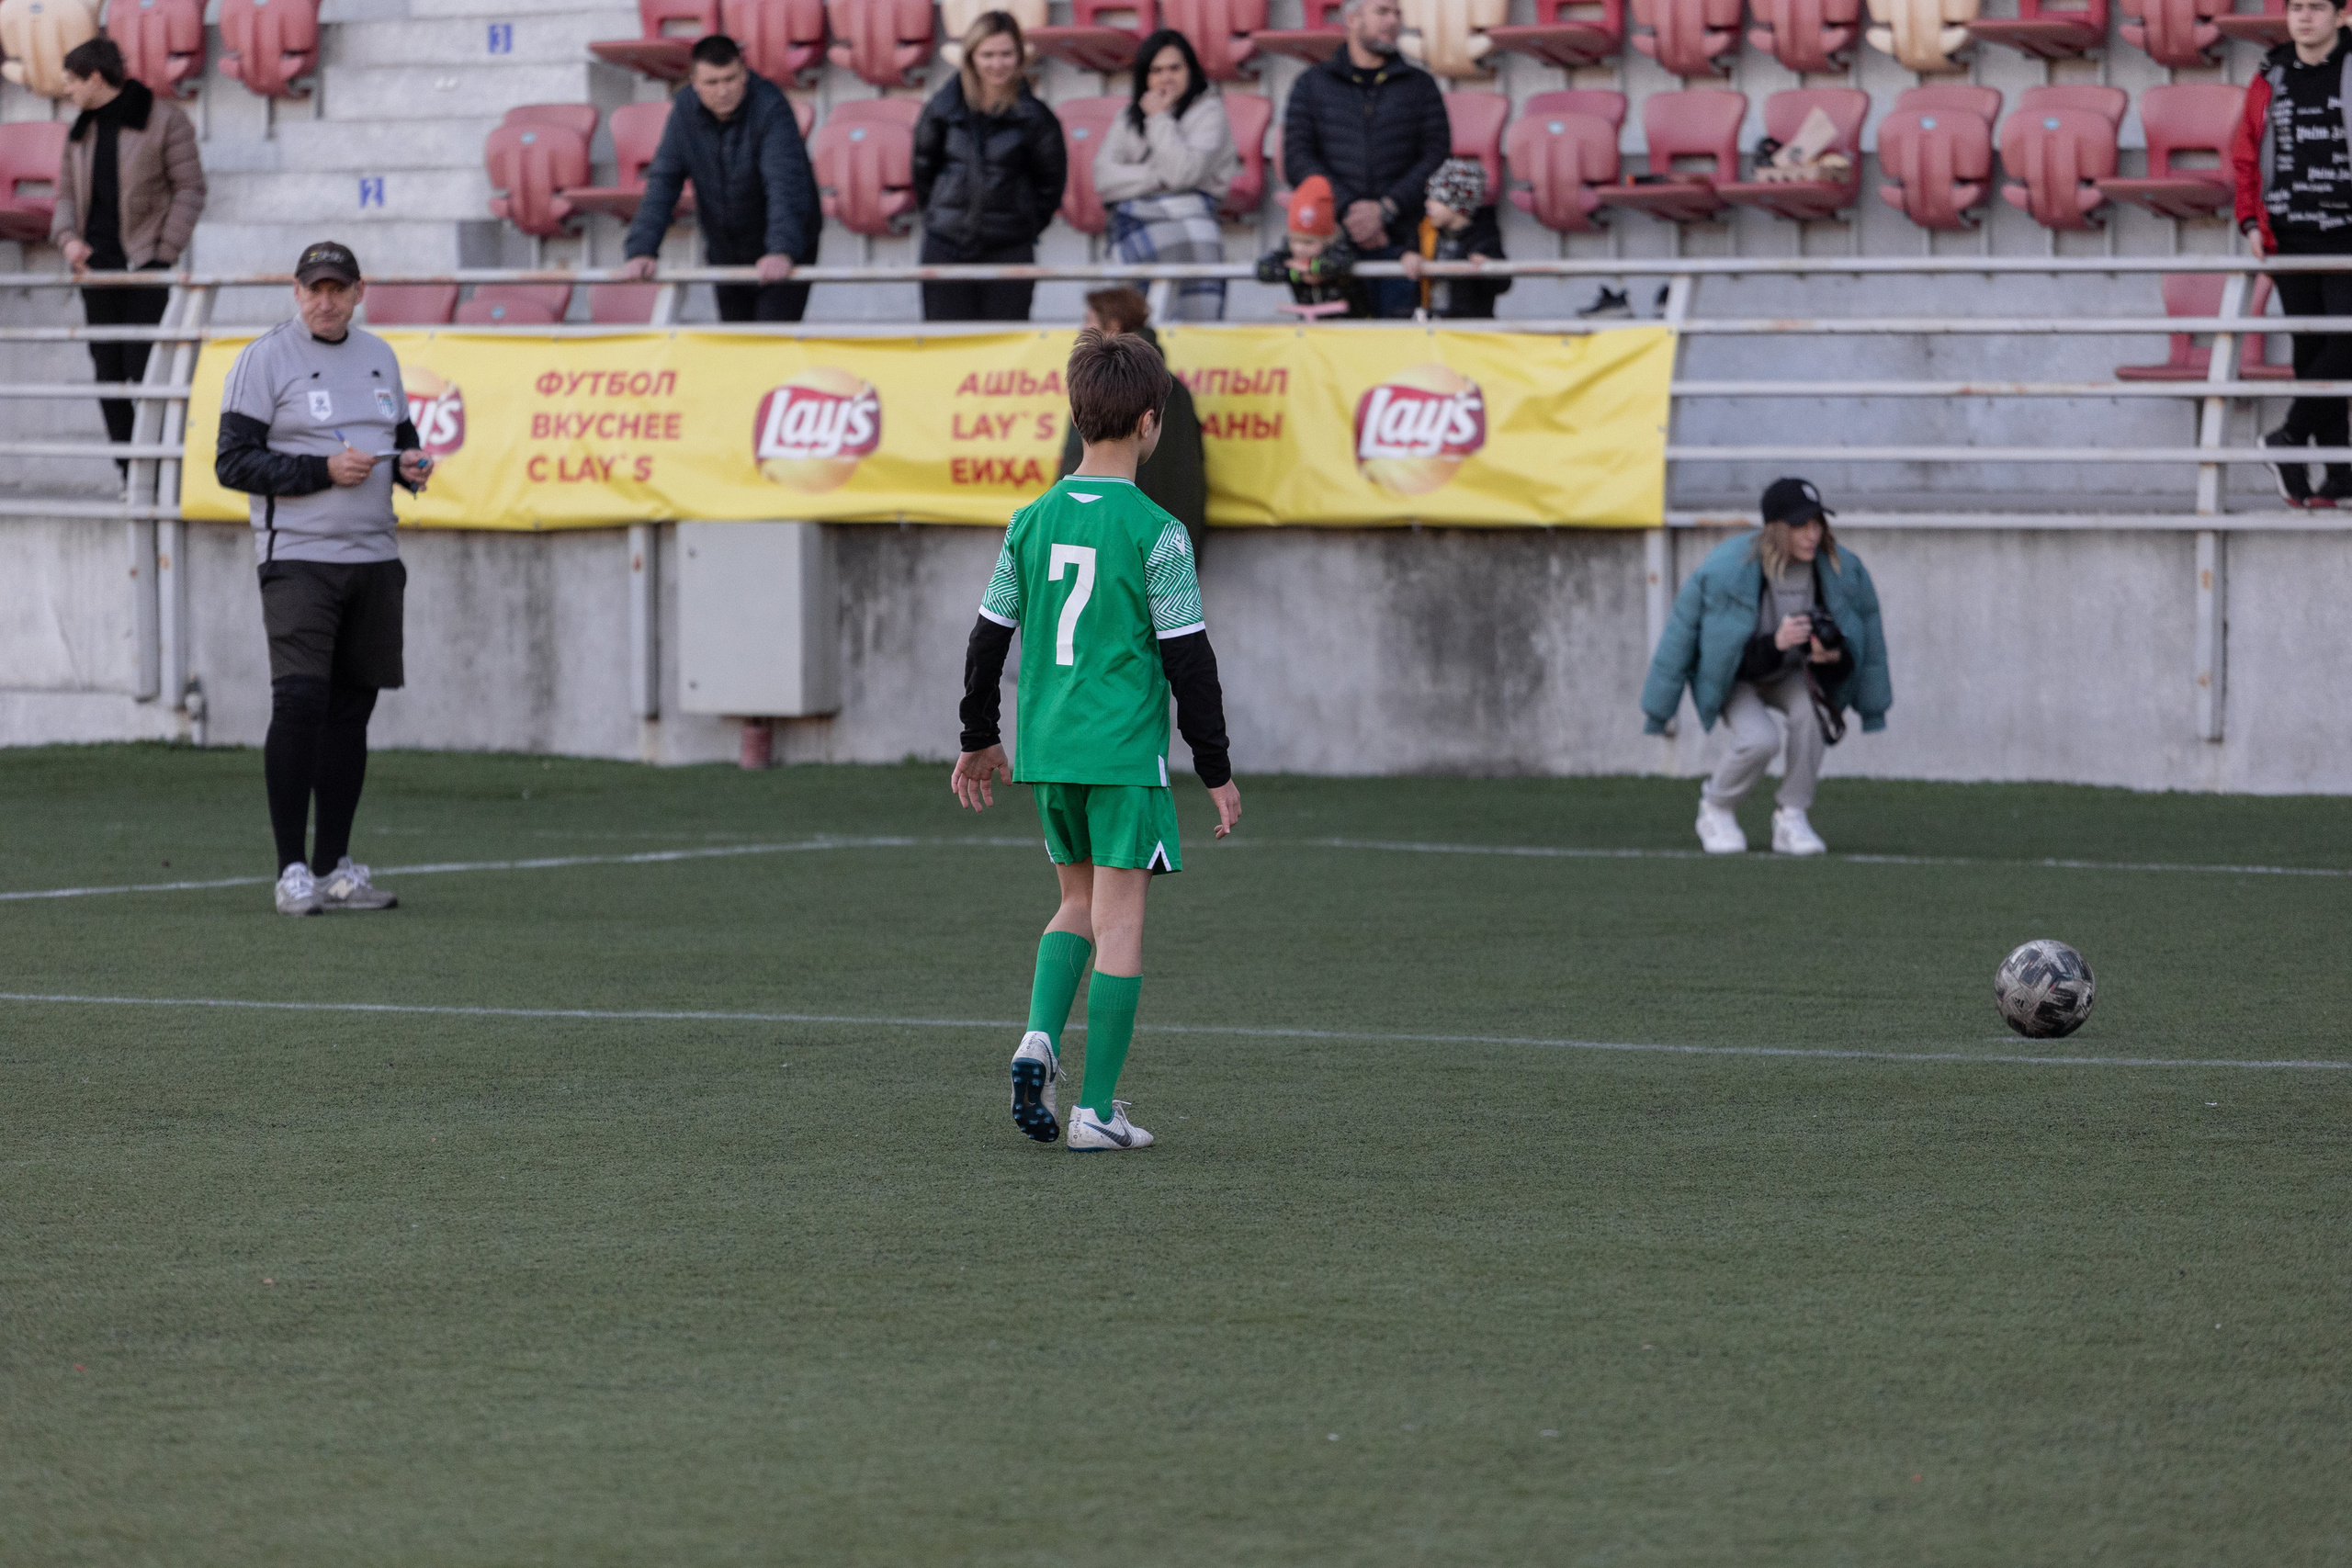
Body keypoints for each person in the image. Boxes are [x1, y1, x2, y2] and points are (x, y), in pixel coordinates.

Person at [952, 329, 1240, 1152]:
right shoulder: (1159, 531)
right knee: (1120, 920)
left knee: (1075, 902)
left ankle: (1037, 1039)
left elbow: (987, 639)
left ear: (1077, 416)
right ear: (1151, 422)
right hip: (1121, 758)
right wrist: (1216, 768)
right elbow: (1190, 662)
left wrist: (979, 735)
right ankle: (1096, 1111)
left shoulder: (1029, 521)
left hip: (1048, 752)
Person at [215, 243, 431, 916]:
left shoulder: (380, 356)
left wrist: (410, 467)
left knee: (351, 711)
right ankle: (291, 871)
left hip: (375, 558)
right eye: (315, 289)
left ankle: (335, 866)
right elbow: (232, 463)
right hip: (299, 560)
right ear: (295, 290)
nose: (325, 301)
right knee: (300, 703)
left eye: (338, 289)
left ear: (360, 292)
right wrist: (320, 472)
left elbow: (400, 439)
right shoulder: (264, 359)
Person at [1640, 479, 1891, 857]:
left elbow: (1867, 637)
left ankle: (1792, 816)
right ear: (1775, 528)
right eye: (1800, 525)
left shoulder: (1841, 569)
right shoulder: (1727, 567)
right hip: (1736, 676)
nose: (1812, 535)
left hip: (1791, 674)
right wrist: (1659, 711)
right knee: (1760, 740)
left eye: (1817, 524)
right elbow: (1682, 635)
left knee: (1813, 717)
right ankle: (1716, 808)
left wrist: (1834, 659)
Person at [50, 37, 205, 467]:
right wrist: (68, 239)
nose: (67, 90)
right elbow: (65, 195)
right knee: (108, 376)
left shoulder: (165, 120)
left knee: (147, 371)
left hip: (145, 267)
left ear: (96, 78)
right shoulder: (80, 130)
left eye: (72, 81)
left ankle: (162, 471)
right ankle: (131, 476)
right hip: (96, 270)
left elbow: (190, 190)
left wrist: (163, 253)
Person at [2233, 0, 2352, 507]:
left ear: (2341, 14)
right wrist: (2249, 220)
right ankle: (2337, 475)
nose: (2304, 17)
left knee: (2345, 344)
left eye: (2317, 7)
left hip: (2347, 236)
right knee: (2312, 355)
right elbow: (2246, 152)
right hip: (2289, 235)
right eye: (2296, 7)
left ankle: (2287, 438)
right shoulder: (2271, 74)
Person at [619, 34, 819, 322]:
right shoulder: (684, 111)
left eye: (730, 79)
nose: (723, 91)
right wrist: (641, 249)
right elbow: (663, 181)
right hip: (725, 248)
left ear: (744, 74)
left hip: (783, 245)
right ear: (694, 83)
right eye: (712, 83)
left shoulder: (771, 107)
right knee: (733, 340)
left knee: (770, 340)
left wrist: (781, 250)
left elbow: (785, 183)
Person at [1279, 0, 1451, 320]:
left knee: (1398, 341)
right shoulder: (1311, 84)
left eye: (1398, 13)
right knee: (1334, 345)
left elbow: (1437, 157)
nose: (1393, 21)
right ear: (1352, 18)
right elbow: (1297, 159)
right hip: (1330, 244)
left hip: (1402, 243)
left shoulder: (1420, 85)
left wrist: (1386, 209)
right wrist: (1348, 209)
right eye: (1382, 11)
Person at [913, 10, 1067, 322]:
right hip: (946, 246)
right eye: (988, 55)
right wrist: (943, 218)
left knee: (1005, 346)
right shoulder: (940, 111)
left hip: (1010, 249)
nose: (997, 64)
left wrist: (1022, 225)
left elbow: (1051, 183)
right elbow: (922, 170)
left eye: (1006, 54)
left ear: (1019, 56)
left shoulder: (1037, 117)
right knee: (947, 344)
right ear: (971, 57)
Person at [1093, 28, 1239, 322]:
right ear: (1144, 77)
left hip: (1192, 217)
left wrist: (1159, 118)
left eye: (1175, 68)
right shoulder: (1128, 117)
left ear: (1190, 70)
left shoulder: (1209, 112)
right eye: (1156, 71)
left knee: (1192, 328)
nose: (1166, 78)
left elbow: (1182, 173)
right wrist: (1159, 178)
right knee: (1130, 322)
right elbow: (1103, 177)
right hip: (1134, 220)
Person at [1056, 287, 1206, 550]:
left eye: (1090, 320)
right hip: (1171, 544)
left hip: (1106, 544)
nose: (1082, 329)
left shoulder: (1099, 385)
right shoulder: (1177, 389)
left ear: (1113, 327)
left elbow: (1075, 464)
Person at [1399, 158, 1509, 321]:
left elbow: (1503, 283)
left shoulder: (1485, 238)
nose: (1427, 204)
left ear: (1456, 204)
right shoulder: (1425, 232)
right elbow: (1408, 250)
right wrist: (1407, 254)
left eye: (1436, 198)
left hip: (1468, 328)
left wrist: (1488, 270)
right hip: (1430, 324)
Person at [1254, 175, 1369, 318]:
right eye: (1295, 241)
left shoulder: (1340, 248)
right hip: (1310, 326)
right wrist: (1296, 273)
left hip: (1352, 325)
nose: (1300, 248)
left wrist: (1312, 267)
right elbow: (1263, 269)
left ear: (1327, 240)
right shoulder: (1289, 253)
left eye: (1308, 242)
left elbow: (1342, 262)